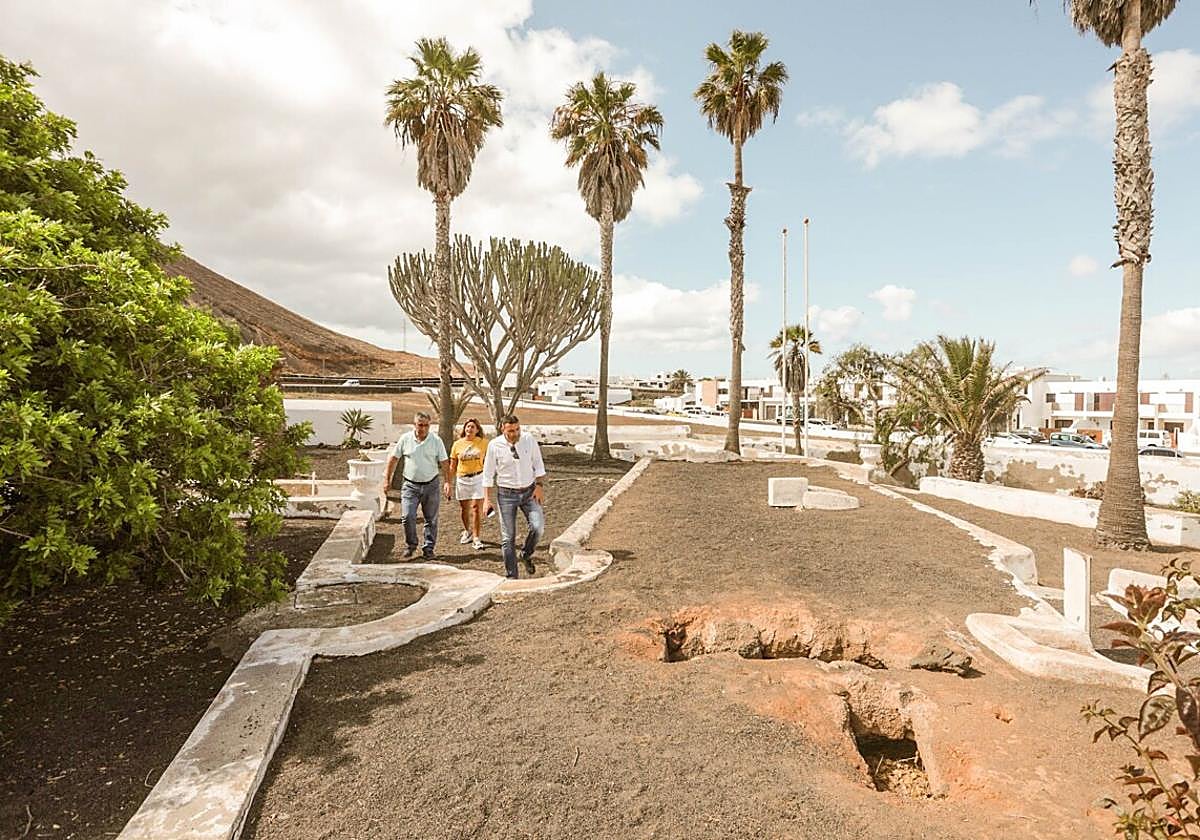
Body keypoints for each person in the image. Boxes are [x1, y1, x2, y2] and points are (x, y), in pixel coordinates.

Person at [482, 414, 546, 579]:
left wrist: (539, 486)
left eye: (517, 429)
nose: (515, 433)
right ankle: (512, 576)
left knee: (538, 527)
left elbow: (538, 464)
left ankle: (525, 554)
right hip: (506, 495)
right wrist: (487, 500)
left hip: (529, 491)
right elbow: (488, 474)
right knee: (508, 537)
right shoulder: (494, 445)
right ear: (502, 429)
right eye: (511, 431)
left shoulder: (528, 440)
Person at [384, 411, 450, 560]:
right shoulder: (405, 439)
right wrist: (387, 480)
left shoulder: (436, 440)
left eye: (426, 425)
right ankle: (411, 545)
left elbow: (444, 462)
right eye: (420, 425)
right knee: (407, 516)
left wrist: (447, 482)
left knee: (431, 519)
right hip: (410, 485)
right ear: (414, 425)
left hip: (431, 485)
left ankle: (429, 548)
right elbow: (393, 459)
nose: (423, 428)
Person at [449, 418, 488, 550]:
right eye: (467, 426)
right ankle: (467, 531)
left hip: (478, 477)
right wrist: (448, 482)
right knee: (464, 508)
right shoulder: (457, 444)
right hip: (462, 479)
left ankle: (476, 538)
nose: (469, 429)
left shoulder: (483, 443)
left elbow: (490, 459)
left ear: (477, 430)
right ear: (464, 429)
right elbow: (452, 465)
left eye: (472, 427)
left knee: (476, 508)